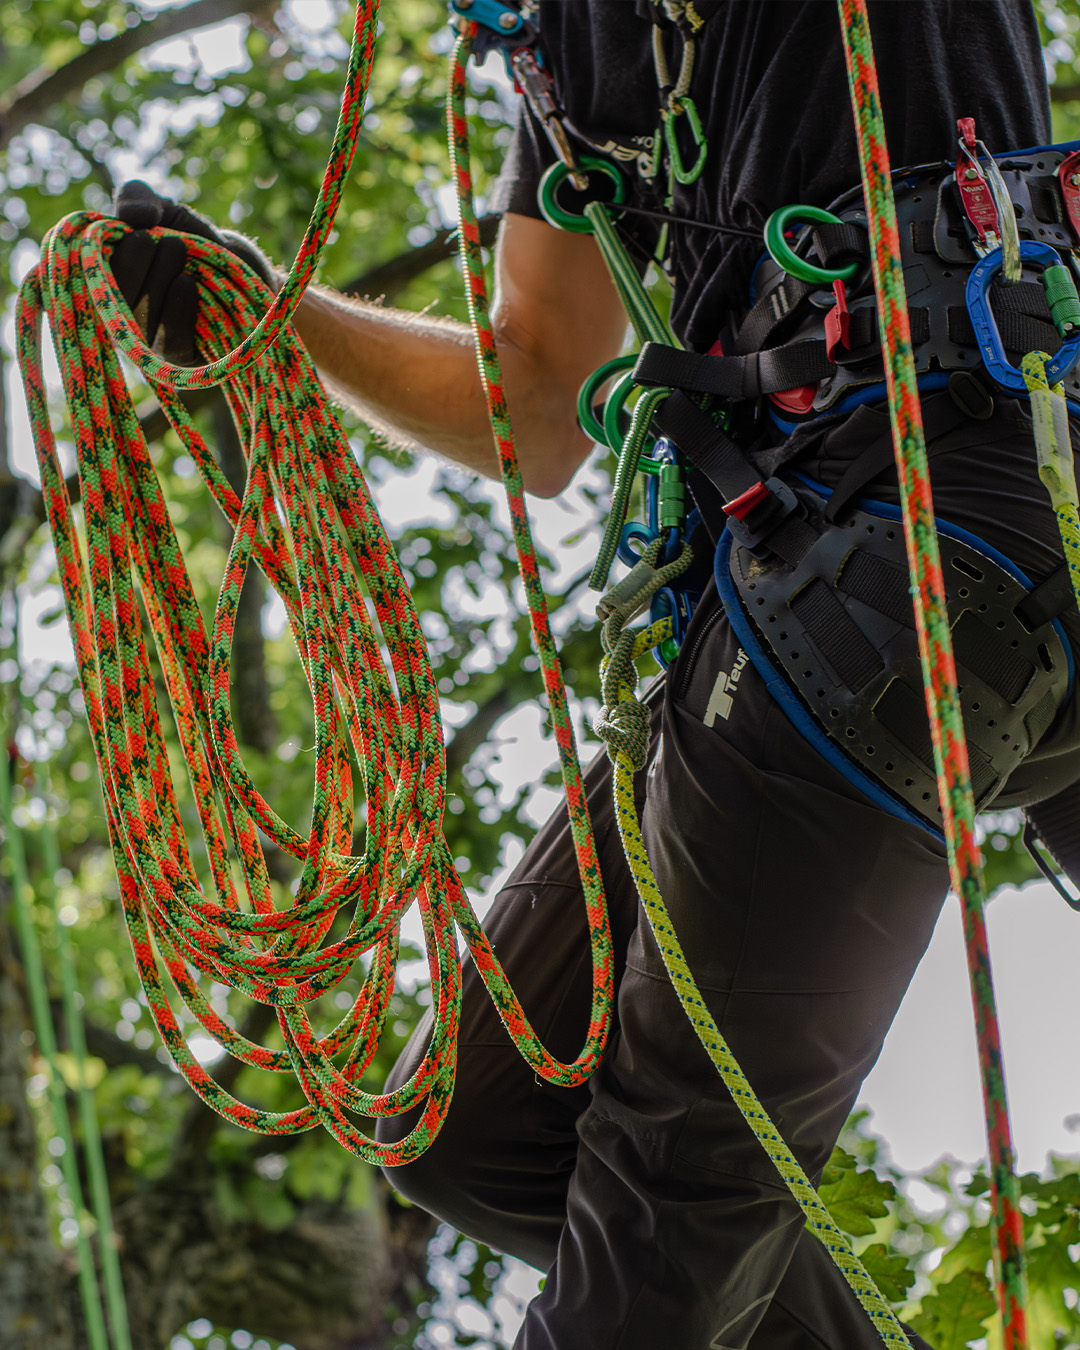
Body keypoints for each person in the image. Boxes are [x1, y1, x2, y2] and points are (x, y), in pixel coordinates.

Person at [112, 3, 1080, 1346]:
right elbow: (536, 395)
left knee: (663, 1214)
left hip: (938, 479)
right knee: (473, 1124)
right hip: (818, 562)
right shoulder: (573, 45)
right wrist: (272, 319)